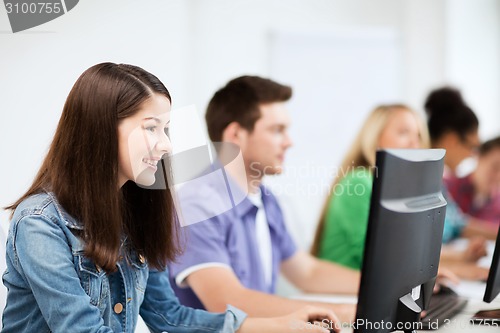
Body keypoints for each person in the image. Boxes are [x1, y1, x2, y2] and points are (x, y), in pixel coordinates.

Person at [1, 63, 339, 333]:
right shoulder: (40, 223)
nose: (166, 145)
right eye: (151, 128)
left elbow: (169, 315)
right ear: (102, 130)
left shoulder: (136, 213)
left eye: (166, 130)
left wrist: (283, 325)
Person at [168, 76, 359, 322]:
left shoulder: (266, 200)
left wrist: (381, 286)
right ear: (236, 134)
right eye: (277, 130)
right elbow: (226, 301)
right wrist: (343, 313)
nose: (289, 142)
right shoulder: (197, 204)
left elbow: (307, 272)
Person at [311, 104, 429, 270]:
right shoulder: (358, 181)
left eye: (418, 135)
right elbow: (378, 255)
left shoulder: (392, 187)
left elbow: (405, 251)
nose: (414, 143)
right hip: (338, 291)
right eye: (403, 133)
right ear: (375, 138)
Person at [424, 86, 489, 280]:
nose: (472, 155)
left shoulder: (437, 181)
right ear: (452, 139)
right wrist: (462, 268)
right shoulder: (419, 182)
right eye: (472, 147)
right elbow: (409, 255)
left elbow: (459, 224)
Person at [446, 136, 500, 236]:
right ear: (478, 157)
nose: (498, 176)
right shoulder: (447, 187)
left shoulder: (498, 205)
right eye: (495, 166)